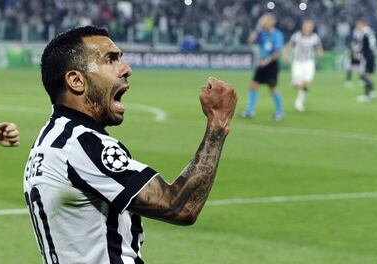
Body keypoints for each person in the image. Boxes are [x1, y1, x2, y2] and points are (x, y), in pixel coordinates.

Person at [23, 26, 237, 264]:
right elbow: (179, 206)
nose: (126, 69)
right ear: (76, 80)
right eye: (111, 60)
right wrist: (217, 125)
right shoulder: (83, 145)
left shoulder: (48, 141)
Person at [239, 13, 284, 121]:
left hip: (272, 64)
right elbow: (250, 41)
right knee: (253, 86)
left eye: (265, 20)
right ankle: (250, 111)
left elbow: (277, 51)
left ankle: (279, 112)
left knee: (272, 89)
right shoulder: (262, 33)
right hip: (261, 63)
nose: (263, 22)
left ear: (271, 22)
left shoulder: (277, 34)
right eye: (262, 20)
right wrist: (258, 29)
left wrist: (268, 61)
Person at [284, 19, 323, 112]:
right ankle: (294, 84)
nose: (308, 27)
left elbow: (318, 48)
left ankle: (299, 102)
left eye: (310, 26)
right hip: (297, 62)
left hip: (308, 62)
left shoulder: (315, 37)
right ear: (303, 26)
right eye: (306, 25)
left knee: (306, 83)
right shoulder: (296, 36)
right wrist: (286, 55)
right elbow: (289, 46)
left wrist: (320, 53)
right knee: (298, 83)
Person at [355, 19, 377, 103]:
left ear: (362, 24)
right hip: (370, 55)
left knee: (363, 75)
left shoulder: (364, 32)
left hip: (366, 56)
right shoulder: (370, 31)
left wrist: (356, 50)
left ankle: (367, 96)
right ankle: (372, 91)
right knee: (365, 75)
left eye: (358, 24)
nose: (357, 26)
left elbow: (362, 46)